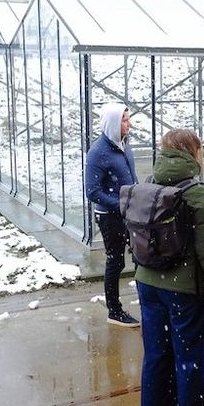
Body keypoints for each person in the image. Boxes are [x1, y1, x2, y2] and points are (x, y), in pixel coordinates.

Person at [134, 129, 204, 406]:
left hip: (147, 282)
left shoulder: (148, 180)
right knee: (190, 355)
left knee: (156, 353)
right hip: (182, 289)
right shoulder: (195, 192)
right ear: (193, 151)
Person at [85, 102, 140, 326]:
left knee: (141, 256)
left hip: (131, 212)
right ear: (113, 123)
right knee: (115, 262)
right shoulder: (98, 152)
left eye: (128, 119)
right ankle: (114, 311)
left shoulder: (123, 144)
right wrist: (120, 205)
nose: (129, 124)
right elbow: (92, 191)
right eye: (125, 120)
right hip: (111, 216)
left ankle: (148, 301)